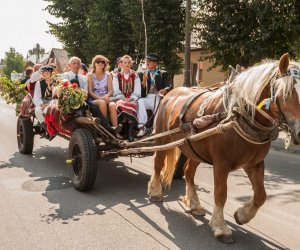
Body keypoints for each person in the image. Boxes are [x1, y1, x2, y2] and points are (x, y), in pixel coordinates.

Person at [137, 53, 170, 136]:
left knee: (158, 102)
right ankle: (142, 127)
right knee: (140, 101)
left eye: (149, 61)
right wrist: (144, 81)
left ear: (155, 63)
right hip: (147, 97)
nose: (147, 63)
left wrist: (164, 90)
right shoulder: (143, 73)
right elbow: (141, 91)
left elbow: (168, 86)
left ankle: (156, 127)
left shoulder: (162, 73)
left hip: (158, 96)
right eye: (146, 61)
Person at [112, 55, 141, 141]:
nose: (127, 64)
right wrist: (123, 98)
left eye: (129, 63)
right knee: (120, 105)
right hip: (120, 98)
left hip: (132, 98)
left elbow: (137, 90)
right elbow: (116, 90)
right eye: (125, 62)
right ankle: (124, 131)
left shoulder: (135, 75)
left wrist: (132, 97)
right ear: (121, 64)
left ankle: (130, 132)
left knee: (132, 105)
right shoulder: (116, 76)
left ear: (131, 64)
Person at [86, 55, 119, 129]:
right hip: (94, 98)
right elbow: (90, 92)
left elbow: (111, 91)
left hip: (106, 97)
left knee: (113, 105)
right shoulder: (89, 75)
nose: (100, 63)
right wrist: (101, 98)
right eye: (98, 62)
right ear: (94, 63)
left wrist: (106, 96)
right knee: (102, 103)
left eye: (102, 62)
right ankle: (105, 127)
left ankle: (115, 128)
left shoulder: (108, 75)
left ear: (105, 64)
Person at [32, 65, 55, 138]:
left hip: (54, 102)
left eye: (44, 72)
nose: (42, 73)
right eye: (42, 72)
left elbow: (57, 96)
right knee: (38, 111)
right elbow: (36, 97)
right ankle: (48, 129)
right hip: (43, 101)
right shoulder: (39, 83)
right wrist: (42, 104)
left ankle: (56, 126)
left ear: (50, 72)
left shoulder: (56, 82)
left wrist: (50, 104)